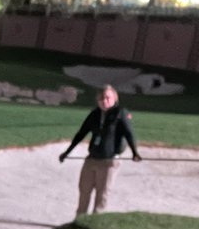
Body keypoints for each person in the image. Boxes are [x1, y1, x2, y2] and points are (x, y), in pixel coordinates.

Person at [58, 84, 143, 217]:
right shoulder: (94, 114)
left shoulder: (120, 113)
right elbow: (81, 134)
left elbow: (128, 133)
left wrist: (135, 153)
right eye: (101, 98)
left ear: (115, 98)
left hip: (109, 161)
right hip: (92, 159)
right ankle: (79, 219)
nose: (104, 101)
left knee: (102, 194)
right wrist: (67, 152)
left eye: (108, 98)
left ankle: (94, 222)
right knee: (84, 190)